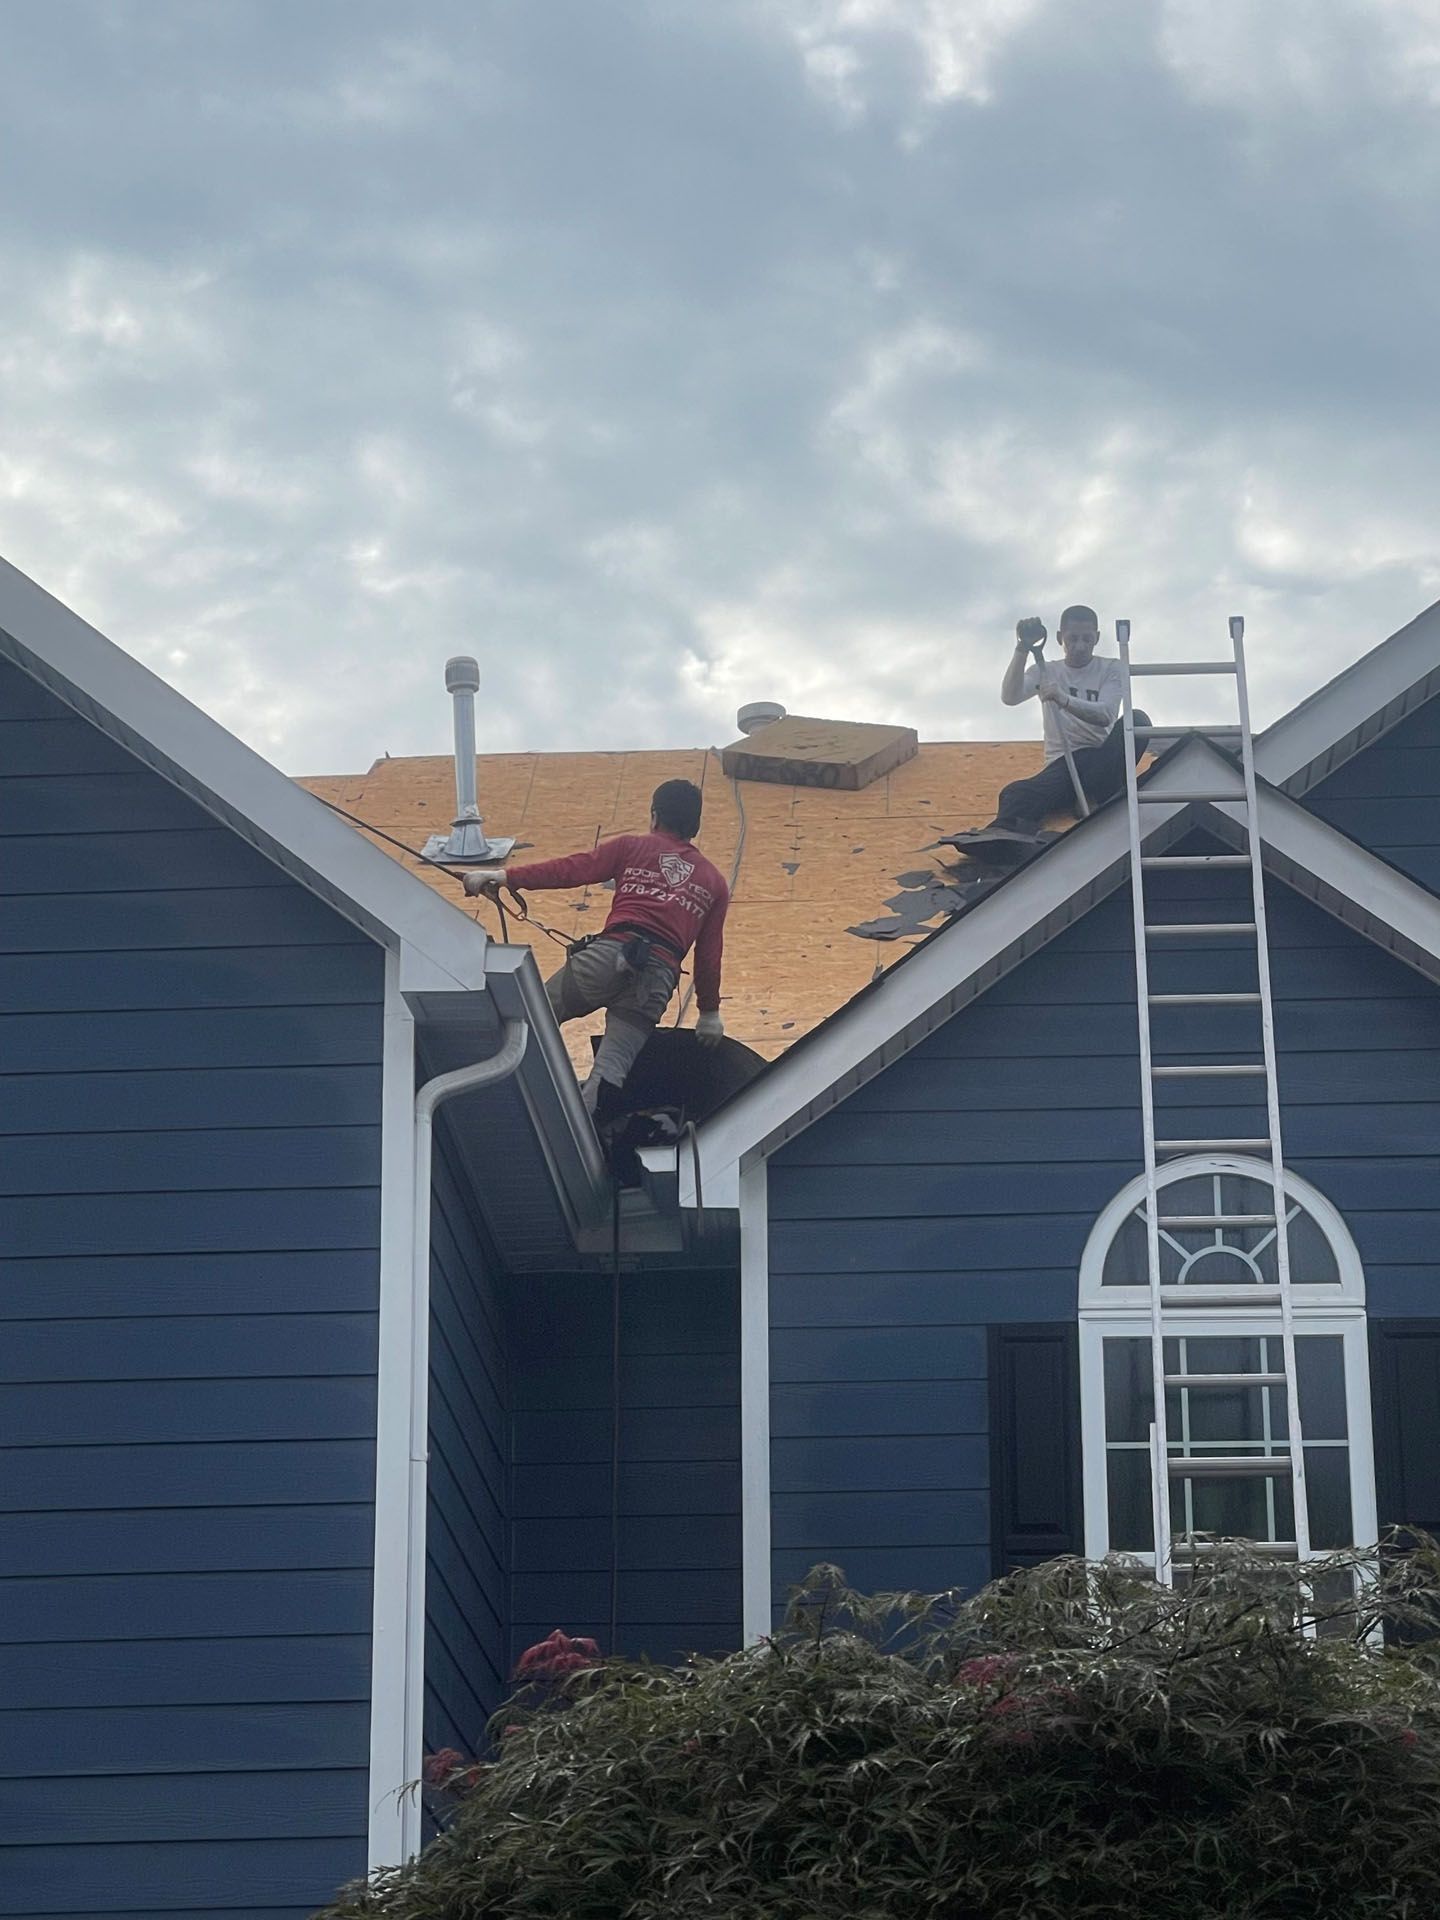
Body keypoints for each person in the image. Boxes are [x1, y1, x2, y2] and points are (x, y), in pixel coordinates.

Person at [463, 778, 729, 1113]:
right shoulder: (714, 882)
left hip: (607, 959)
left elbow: (572, 869)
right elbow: (709, 955)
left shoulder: (631, 847)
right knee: (609, 1073)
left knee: (536, 1015)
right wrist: (709, 1013)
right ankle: (587, 1147)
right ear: (696, 825)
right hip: (656, 980)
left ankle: (500, 1100)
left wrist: (506, 877)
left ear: (654, 816)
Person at [985, 604, 1149, 837]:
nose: (1080, 646)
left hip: (1100, 761)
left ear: (1097, 638)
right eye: (1072, 638)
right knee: (1015, 793)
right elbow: (1010, 697)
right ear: (1060, 638)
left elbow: (1105, 715)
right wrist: (1022, 649)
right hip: (1063, 764)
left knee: (1139, 720)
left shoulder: (1111, 668)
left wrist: (1062, 698)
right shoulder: (1046, 671)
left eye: (1087, 639)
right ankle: (1006, 838)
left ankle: (1098, 796)